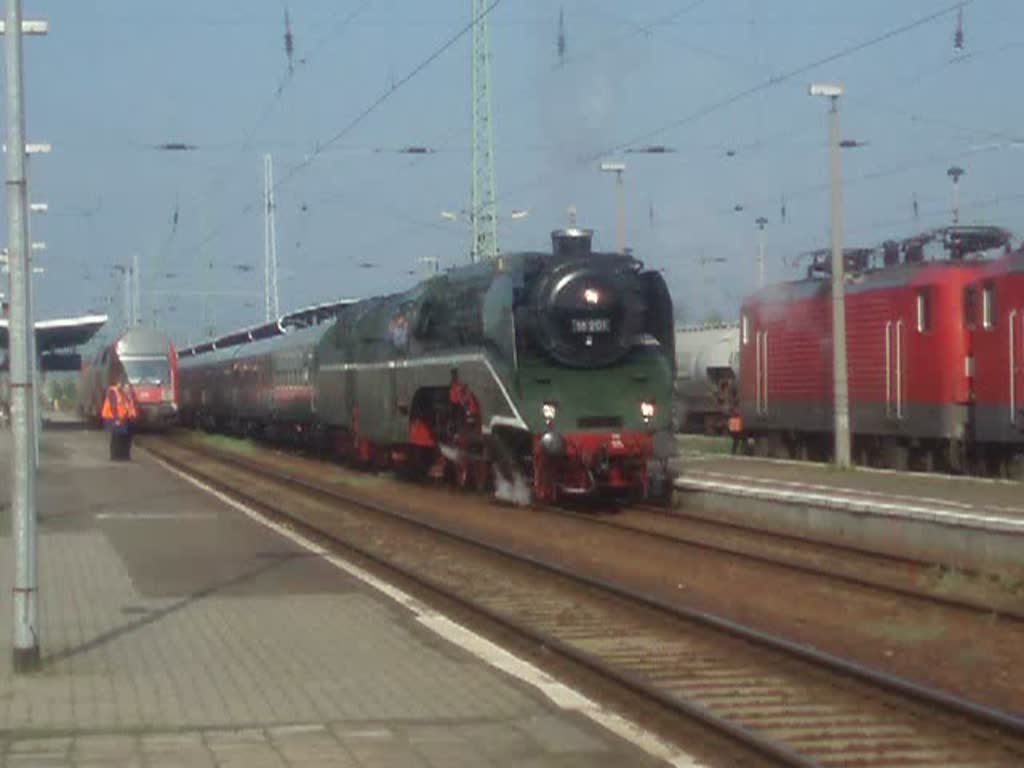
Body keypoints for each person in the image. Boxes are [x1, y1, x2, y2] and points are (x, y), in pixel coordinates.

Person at [101, 381, 137, 460]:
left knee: (125, 437)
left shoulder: (127, 395)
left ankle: (124, 456)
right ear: (121, 386)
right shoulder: (113, 392)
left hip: (124, 419)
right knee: (116, 437)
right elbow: (113, 407)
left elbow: (129, 407)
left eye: (129, 388)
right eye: (126, 388)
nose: (128, 390)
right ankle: (115, 456)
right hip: (112, 418)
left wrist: (132, 418)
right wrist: (116, 419)